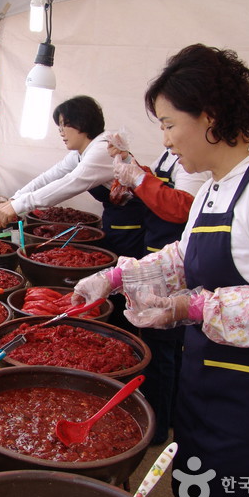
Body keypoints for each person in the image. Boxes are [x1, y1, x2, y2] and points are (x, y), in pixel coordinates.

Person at [73, 44, 249, 497]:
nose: (167, 142)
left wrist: (191, 309)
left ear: (210, 116)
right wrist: (114, 277)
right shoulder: (214, 186)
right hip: (207, 390)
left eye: (170, 125)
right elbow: (184, 258)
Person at [108, 138, 210, 445]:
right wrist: (133, 164)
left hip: (172, 272)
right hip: (159, 257)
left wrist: (138, 178)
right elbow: (162, 189)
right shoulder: (173, 152)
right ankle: (168, 415)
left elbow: (182, 207)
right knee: (168, 351)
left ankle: (157, 425)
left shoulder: (196, 165)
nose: (165, 136)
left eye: (169, 124)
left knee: (162, 351)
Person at [0, 95, 146, 259]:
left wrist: (18, 205)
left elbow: (69, 184)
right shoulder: (81, 153)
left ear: (82, 123)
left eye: (64, 125)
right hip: (115, 219)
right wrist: (14, 199)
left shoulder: (103, 150)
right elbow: (50, 177)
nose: (61, 132)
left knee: (124, 269)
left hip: (132, 224)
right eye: (59, 127)